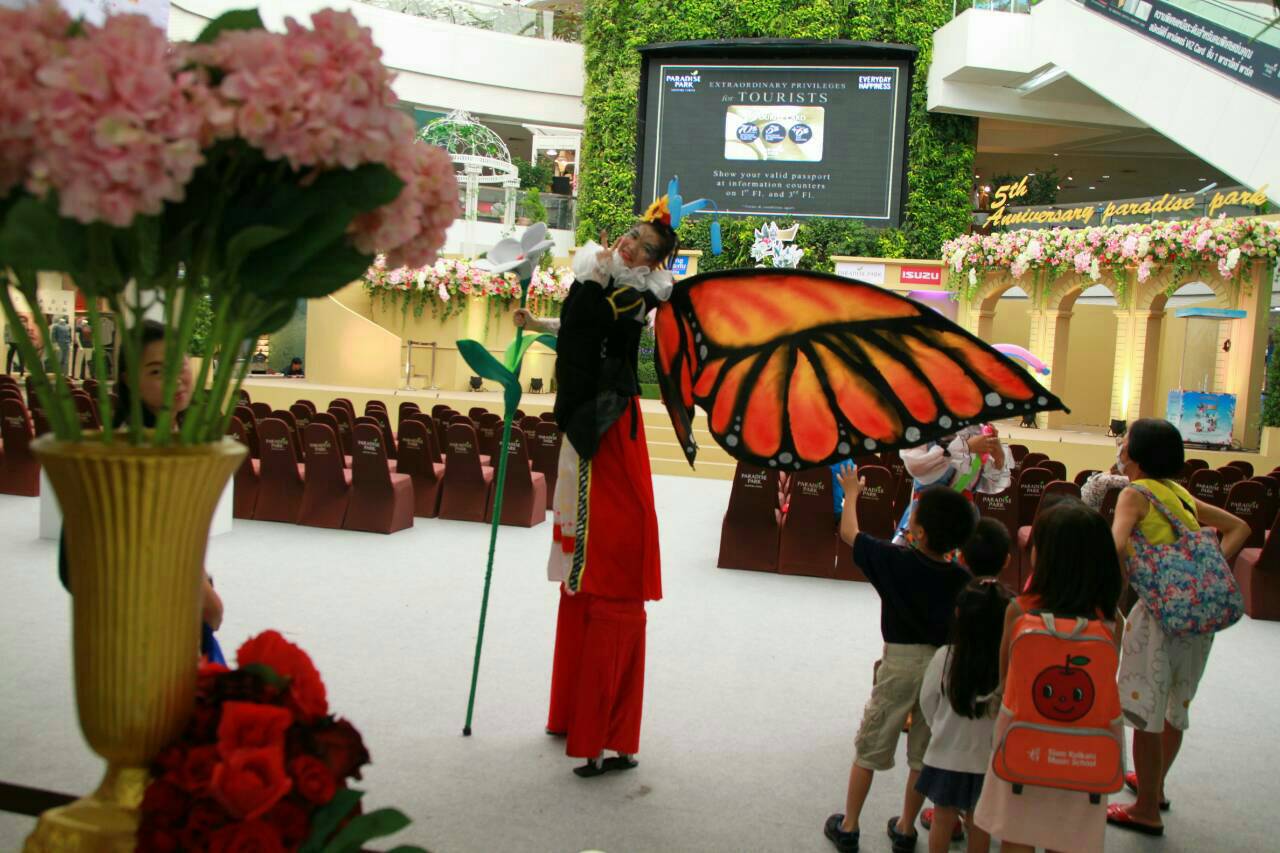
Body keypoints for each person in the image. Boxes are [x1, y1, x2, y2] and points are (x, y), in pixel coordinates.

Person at [512, 198, 678, 777]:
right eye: (629, 237)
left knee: (603, 558)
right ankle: (576, 713)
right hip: (584, 418)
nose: (628, 246)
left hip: (607, 425)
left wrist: (595, 277)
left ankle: (610, 731)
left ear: (653, 265)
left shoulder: (634, 294)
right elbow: (578, 333)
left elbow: (597, 323)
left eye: (643, 248)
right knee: (578, 559)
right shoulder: (606, 283)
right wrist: (536, 326)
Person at [1105, 418, 1249, 836]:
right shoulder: (1180, 494)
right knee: (1175, 707)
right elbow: (1240, 527)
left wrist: (1112, 602)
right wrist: (1204, 572)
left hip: (1157, 616)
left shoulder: (1134, 494)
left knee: (1145, 709)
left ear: (1136, 454)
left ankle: (1146, 808)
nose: (1120, 445)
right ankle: (1157, 786)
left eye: (1125, 440)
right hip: (1197, 619)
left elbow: (1115, 546)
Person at [825, 468, 977, 853]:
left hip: (899, 665)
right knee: (923, 753)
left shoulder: (893, 560)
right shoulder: (962, 578)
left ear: (919, 532)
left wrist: (852, 494)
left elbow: (849, 534)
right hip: (942, 668)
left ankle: (850, 824)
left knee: (871, 744)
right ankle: (907, 828)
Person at [56, 320, 224, 661]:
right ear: (130, 378)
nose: (177, 378)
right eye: (159, 370)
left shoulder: (183, 436)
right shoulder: (130, 453)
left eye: (182, 364)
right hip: (147, 615)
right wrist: (204, 595)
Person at [972, 500, 1124, 853]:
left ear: (1045, 556)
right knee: (1069, 836)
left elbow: (1007, 680)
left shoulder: (1019, 611)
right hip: (1085, 751)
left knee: (1018, 834)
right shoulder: (1108, 619)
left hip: (1024, 742)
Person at [917, 578, 1010, 853]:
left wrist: (939, 725)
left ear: (958, 615)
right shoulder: (1006, 665)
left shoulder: (945, 657)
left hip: (946, 754)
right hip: (986, 760)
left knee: (943, 816)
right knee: (979, 821)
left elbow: (927, 700)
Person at [895, 426, 1010, 545]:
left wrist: (998, 458)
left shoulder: (978, 430)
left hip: (963, 521)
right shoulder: (922, 426)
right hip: (927, 517)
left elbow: (988, 485)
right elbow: (916, 466)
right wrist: (965, 447)